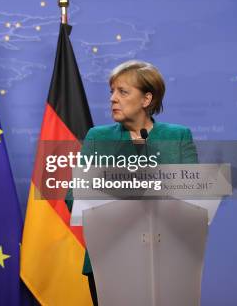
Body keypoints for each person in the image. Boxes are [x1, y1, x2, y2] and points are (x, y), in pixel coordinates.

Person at [80, 60, 197, 303]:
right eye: (112, 91)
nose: (113, 98)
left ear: (146, 100)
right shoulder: (97, 138)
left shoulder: (177, 136)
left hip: (167, 254)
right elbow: (76, 197)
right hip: (110, 255)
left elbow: (195, 195)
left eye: (122, 92)